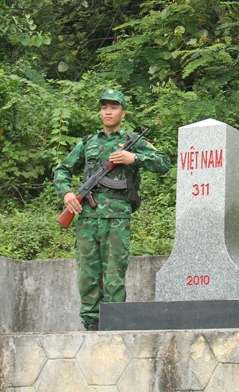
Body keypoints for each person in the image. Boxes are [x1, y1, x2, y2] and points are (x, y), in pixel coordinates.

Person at [54, 89, 170, 331]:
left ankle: (114, 326)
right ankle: (90, 324)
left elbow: (164, 163)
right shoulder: (88, 143)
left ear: (123, 112)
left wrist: (134, 159)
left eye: (114, 107)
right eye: (105, 107)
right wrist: (66, 194)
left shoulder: (134, 141)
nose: (108, 111)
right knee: (88, 275)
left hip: (117, 218)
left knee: (114, 275)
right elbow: (61, 169)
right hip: (87, 219)